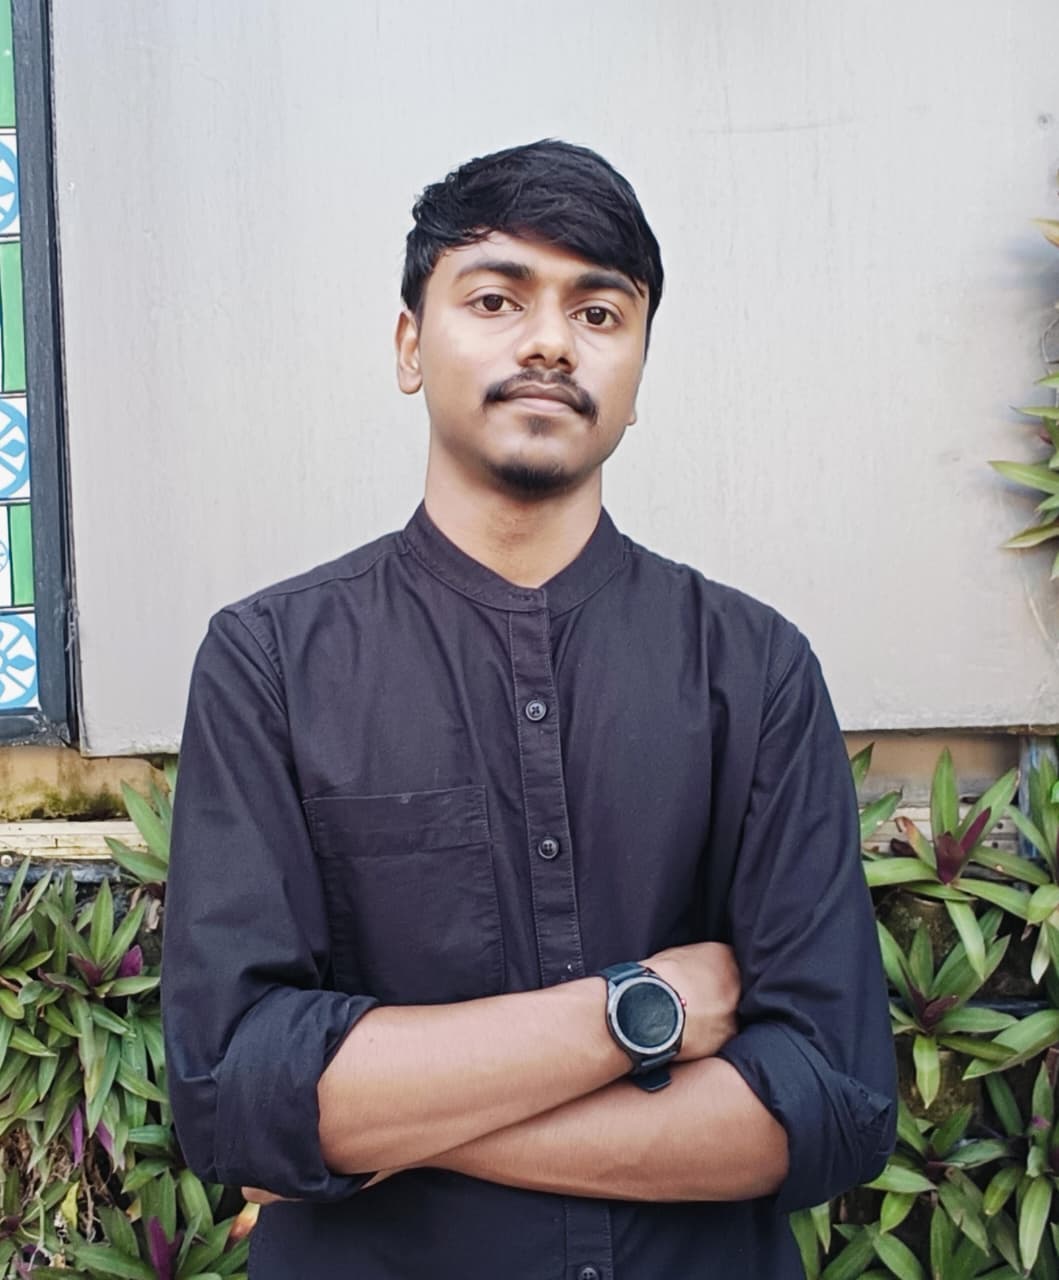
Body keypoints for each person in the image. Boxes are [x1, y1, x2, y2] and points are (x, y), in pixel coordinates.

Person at [162, 139, 897, 1279]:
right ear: (410, 346)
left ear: (638, 373)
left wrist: (391, 1127)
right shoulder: (271, 662)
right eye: (496, 298)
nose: (551, 342)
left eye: (599, 313)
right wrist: (643, 1007)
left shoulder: (753, 670)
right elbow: (234, 1092)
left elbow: (829, 1102)